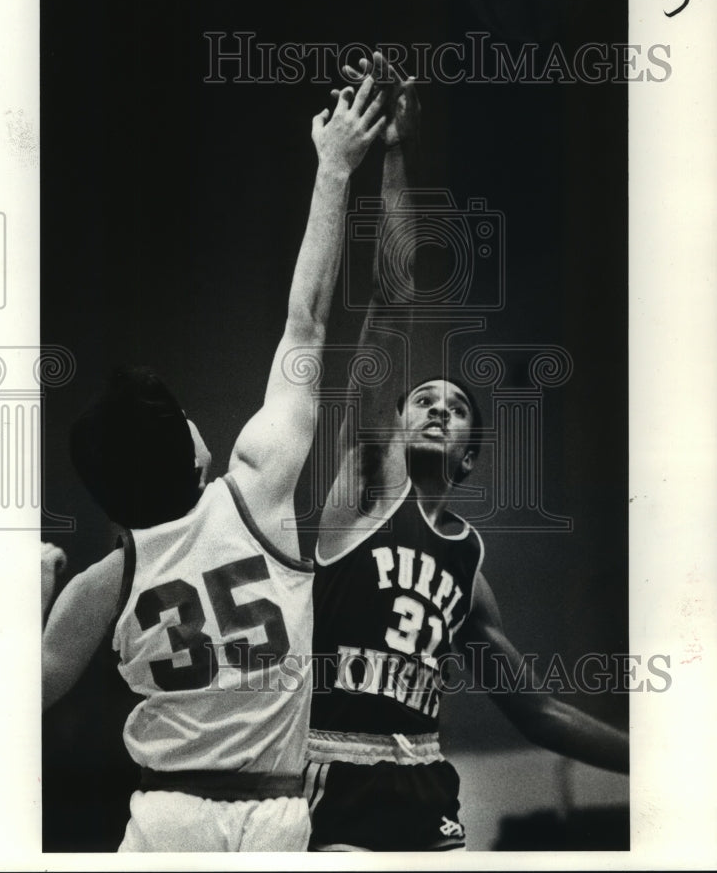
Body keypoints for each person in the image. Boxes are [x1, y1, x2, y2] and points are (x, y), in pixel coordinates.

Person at [41, 77, 387, 852]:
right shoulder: (254, 491)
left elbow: (12, 702)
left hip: (163, 821)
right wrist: (334, 167)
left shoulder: (101, 584)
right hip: (272, 816)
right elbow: (306, 325)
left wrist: (31, 597)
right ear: (192, 452)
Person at [304, 53, 629, 852]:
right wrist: (397, 153)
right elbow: (393, 297)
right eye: (423, 399)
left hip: (426, 780)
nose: (434, 408)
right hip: (333, 777)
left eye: (453, 409)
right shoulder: (368, 482)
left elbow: (538, 713)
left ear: (469, 458)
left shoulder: (468, 564)